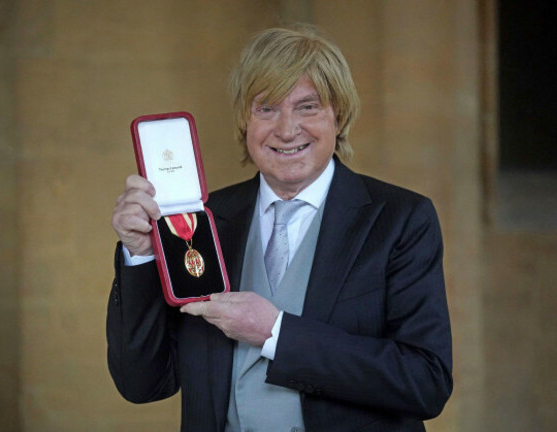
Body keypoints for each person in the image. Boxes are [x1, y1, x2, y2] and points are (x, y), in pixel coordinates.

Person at [107, 25, 452, 432]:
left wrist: (277, 333)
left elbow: (425, 382)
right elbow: (141, 383)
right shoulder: (202, 220)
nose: (287, 129)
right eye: (266, 108)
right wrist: (141, 255)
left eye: (308, 107)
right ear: (244, 121)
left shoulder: (401, 220)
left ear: (338, 116)